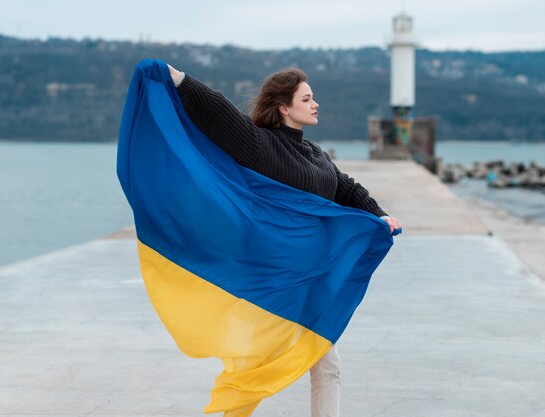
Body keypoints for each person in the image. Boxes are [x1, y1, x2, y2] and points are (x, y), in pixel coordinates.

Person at [166, 63, 402, 417]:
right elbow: (219, 112)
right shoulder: (260, 146)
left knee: (325, 362)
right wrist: (179, 79)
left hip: (311, 278)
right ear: (284, 108)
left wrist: (379, 215)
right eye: (306, 98)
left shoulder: (316, 155)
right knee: (253, 369)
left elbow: (346, 188)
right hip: (275, 282)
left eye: (313, 97)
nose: (315, 104)